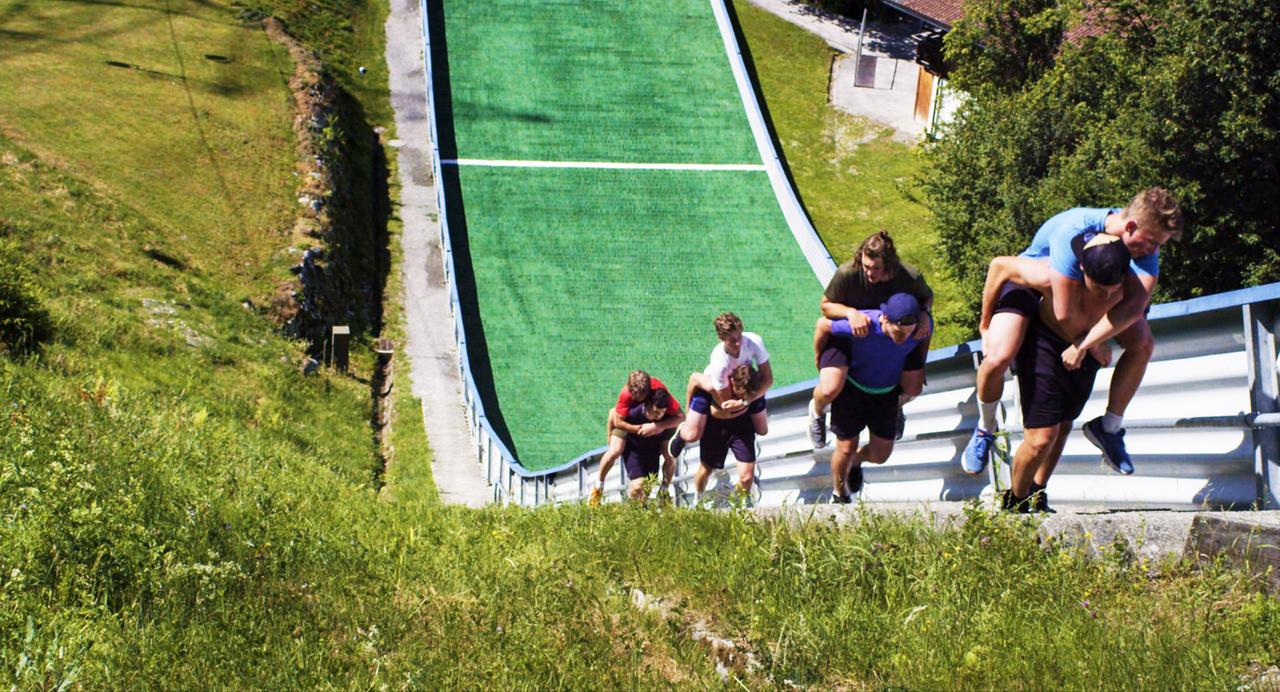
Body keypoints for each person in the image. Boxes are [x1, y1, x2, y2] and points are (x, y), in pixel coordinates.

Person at [962, 188, 1184, 477]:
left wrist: (1089, 341)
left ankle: (1110, 427)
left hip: (1086, 291)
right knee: (998, 356)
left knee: (1143, 345)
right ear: (1130, 227)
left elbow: (1133, 309)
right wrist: (985, 324)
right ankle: (985, 427)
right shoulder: (1073, 232)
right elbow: (1064, 313)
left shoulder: (1142, 248)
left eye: (1160, 246)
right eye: (1153, 243)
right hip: (1032, 282)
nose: (1153, 252)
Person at [1000, 234, 1133, 512]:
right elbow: (1000, 266)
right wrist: (987, 324)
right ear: (1083, 270)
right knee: (1040, 438)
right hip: (1044, 343)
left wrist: (1089, 343)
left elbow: (1132, 324)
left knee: (1062, 427)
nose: (1107, 296)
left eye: (1113, 290)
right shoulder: (1056, 275)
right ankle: (1015, 501)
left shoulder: (1132, 284)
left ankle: (1037, 493)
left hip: (1087, 352)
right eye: (1099, 289)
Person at [811, 231, 933, 447]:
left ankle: (895, 406)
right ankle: (817, 411)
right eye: (866, 266)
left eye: (875, 268)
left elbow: (927, 297)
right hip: (850, 333)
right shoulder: (848, 273)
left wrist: (924, 312)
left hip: (893, 333)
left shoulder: (909, 276)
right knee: (830, 387)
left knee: (913, 387)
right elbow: (826, 306)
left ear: (889, 264)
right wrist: (850, 313)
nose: (869, 273)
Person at [810, 293, 929, 502]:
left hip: (886, 394)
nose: (902, 339)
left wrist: (921, 363)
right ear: (884, 319)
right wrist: (819, 358)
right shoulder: (865, 325)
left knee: (880, 455)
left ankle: (858, 459)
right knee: (845, 447)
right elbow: (822, 324)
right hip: (853, 390)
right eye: (898, 333)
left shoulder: (917, 331)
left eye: (908, 335)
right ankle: (839, 494)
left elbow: (924, 336)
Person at [668, 312, 772, 459]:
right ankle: (683, 429)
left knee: (762, 429)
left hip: (743, 384)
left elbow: (768, 379)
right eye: (732, 340)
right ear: (721, 338)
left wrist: (746, 400)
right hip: (717, 386)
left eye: (740, 337)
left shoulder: (754, 341)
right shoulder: (719, 361)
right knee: (693, 435)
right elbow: (726, 403)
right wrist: (742, 402)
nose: (738, 343)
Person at [590, 370, 683, 506]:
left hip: (656, 431)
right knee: (615, 450)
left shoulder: (660, 394)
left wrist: (657, 427)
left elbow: (681, 417)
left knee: (669, 457)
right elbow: (615, 418)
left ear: (648, 394)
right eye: (635, 396)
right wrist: (637, 429)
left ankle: (664, 491)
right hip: (631, 426)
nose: (636, 399)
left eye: (640, 397)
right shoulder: (627, 396)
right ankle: (598, 487)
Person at [687, 365, 768, 501]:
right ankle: (698, 499)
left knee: (747, 477)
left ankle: (738, 505)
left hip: (742, 427)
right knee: (706, 469)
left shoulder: (755, 391)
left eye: (743, 396)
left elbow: (763, 430)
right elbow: (694, 379)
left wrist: (748, 403)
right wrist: (688, 410)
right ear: (731, 383)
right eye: (737, 394)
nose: (738, 398)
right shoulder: (713, 384)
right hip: (715, 427)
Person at [614, 391, 679, 502]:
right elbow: (613, 416)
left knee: (647, 490)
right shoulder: (634, 413)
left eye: (662, 412)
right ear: (647, 405)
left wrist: (665, 486)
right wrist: (611, 440)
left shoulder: (667, 420)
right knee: (638, 485)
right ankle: (633, 508)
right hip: (634, 451)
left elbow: (667, 451)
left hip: (652, 454)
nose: (658, 416)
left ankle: (662, 494)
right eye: (655, 412)